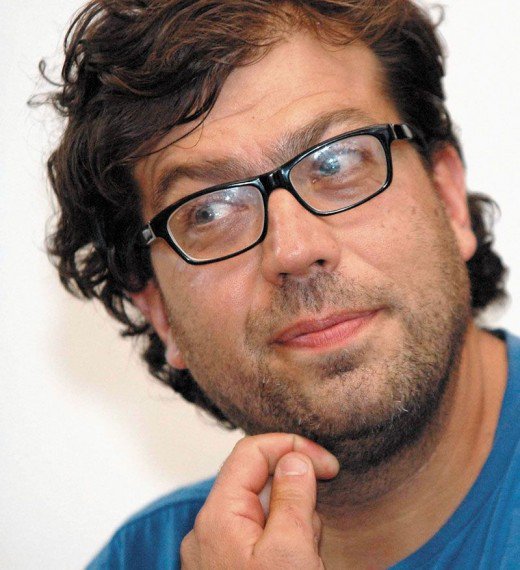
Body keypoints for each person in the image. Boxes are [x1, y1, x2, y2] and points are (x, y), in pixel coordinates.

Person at [40, 0, 518, 567]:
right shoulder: (143, 558)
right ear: (159, 312)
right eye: (210, 211)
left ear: (449, 198)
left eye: (336, 163)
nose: (293, 250)